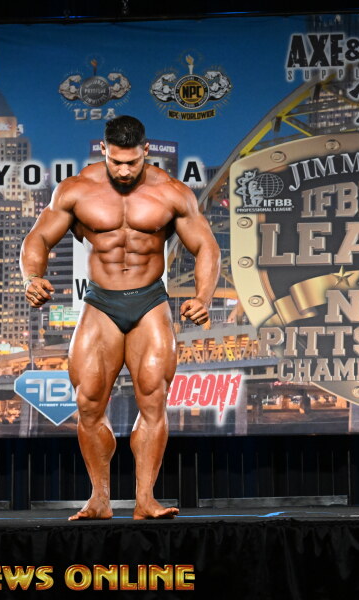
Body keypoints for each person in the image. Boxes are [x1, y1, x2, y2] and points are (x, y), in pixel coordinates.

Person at [20, 115, 220, 520]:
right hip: (101, 303)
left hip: (150, 302)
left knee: (153, 399)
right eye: (116, 162)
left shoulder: (172, 193)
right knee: (88, 402)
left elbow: (206, 247)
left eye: (132, 162)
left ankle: (145, 499)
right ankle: (99, 498)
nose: (124, 171)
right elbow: (38, 237)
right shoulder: (77, 190)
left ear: (146, 151)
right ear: (103, 151)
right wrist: (33, 277)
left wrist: (203, 296)